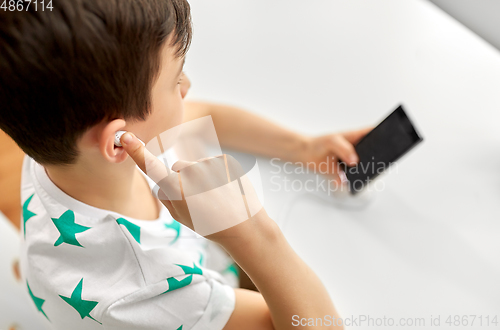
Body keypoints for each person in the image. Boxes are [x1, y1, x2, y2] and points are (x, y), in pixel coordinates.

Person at [0, 0, 370, 329]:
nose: (188, 85)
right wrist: (254, 233)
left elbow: (203, 113)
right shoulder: (148, 289)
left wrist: (303, 147)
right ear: (118, 140)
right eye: (176, 79)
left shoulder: (60, 142)